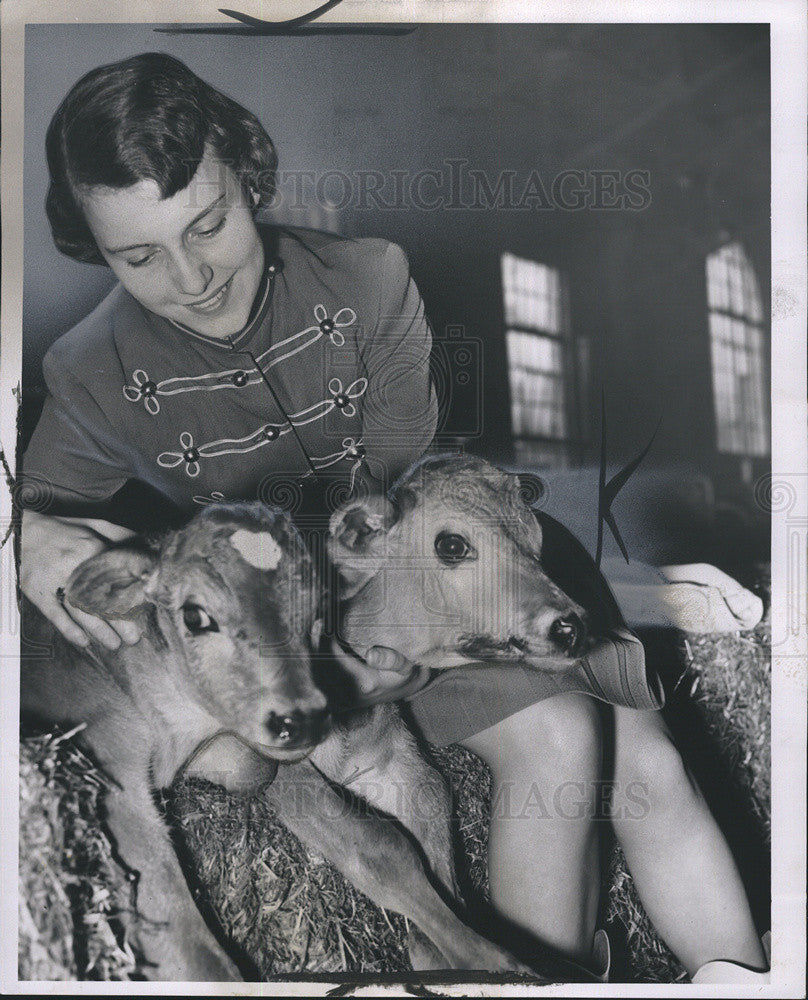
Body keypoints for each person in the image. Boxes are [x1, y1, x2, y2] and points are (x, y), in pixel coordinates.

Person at [20, 53, 769, 984]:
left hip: (426, 590)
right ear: (97, 251)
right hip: (295, 643)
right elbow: (36, 518)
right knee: (577, 737)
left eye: (208, 224)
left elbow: (405, 498)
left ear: (251, 177)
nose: (192, 277)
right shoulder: (89, 373)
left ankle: (718, 974)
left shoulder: (369, 279)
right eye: (138, 257)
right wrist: (26, 534)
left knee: (626, 745)